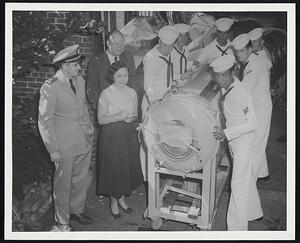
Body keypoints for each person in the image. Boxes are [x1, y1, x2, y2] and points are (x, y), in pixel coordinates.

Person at [38, 45, 94, 231]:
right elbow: (45, 121)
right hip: (64, 146)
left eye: (78, 64)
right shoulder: (50, 87)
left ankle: (76, 210)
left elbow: (83, 108)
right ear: (63, 66)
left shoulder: (79, 80)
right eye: (75, 64)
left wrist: (89, 132)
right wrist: (52, 148)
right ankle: (62, 221)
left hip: (83, 139)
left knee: (80, 180)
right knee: (63, 185)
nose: (79, 68)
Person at [210, 54, 263, 231]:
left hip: (243, 143)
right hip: (235, 141)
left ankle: (236, 230)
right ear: (215, 76)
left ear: (232, 73)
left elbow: (253, 123)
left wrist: (225, 133)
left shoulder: (241, 93)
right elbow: (225, 108)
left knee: (237, 186)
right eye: (219, 76)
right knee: (245, 178)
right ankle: (254, 212)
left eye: (225, 75)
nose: (222, 79)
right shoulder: (227, 88)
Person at [97, 61, 143, 219]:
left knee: (126, 168)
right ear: (112, 76)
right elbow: (101, 120)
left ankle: (122, 199)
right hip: (112, 135)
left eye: (125, 75)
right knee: (114, 169)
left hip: (129, 134)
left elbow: (136, 114)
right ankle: (113, 202)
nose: (123, 79)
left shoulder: (132, 92)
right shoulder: (106, 94)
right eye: (119, 76)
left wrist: (131, 119)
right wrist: (118, 116)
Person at [140, 25, 179, 181]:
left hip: (165, 103)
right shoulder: (151, 58)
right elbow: (148, 85)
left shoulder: (168, 54)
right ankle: (147, 177)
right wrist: (155, 104)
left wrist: (174, 85)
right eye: (165, 46)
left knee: (161, 140)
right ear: (159, 42)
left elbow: (167, 77)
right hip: (153, 104)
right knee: (149, 142)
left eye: (170, 47)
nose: (167, 50)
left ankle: (160, 174)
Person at [232, 33, 272, 179]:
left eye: (242, 51)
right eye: (237, 51)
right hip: (254, 106)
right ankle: (262, 173)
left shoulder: (255, 64)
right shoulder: (249, 62)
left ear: (249, 50)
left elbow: (245, 90)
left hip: (260, 108)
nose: (238, 55)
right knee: (256, 141)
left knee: (256, 144)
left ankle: (251, 179)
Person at [86, 30, 137, 113]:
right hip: (106, 112)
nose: (120, 47)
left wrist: (132, 104)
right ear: (108, 44)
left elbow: (133, 81)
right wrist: (102, 109)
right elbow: (91, 90)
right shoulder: (95, 62)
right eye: (116, 44)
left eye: (122, 44)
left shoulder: (128, 56)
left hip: (126, 110)